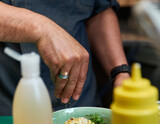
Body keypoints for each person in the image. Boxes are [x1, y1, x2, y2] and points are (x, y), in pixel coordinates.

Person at [0, 0, 130, 116]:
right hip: (10, 110)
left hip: (82, 106)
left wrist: (120, 72)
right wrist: (41, 28)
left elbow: (100, 9)